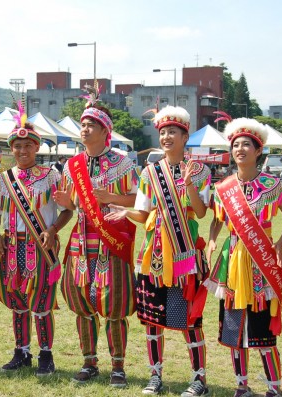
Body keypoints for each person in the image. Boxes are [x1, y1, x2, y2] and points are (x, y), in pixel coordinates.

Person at [106, 106, 212, 396]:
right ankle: (155, 375)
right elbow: (143, 213)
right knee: (153, 319)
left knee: (189, 319)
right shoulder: (150, 172)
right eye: (163, 132)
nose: (166, 136)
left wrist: (190, 185)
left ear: (185, 136)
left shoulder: (200, 170)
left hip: (184, 255)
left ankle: (199, 379)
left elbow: (201, 213)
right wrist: (125, 211)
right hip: (153, 255)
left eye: (172, 132)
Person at [53, 86, 138, 388]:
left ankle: (118, 366)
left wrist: (111, 197)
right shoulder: (71, 165)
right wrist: (66, 203)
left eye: (91, 125)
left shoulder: (123, 162)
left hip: (111, 243)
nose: (84, 129)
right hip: (80, 244)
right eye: (83, 124)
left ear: (105, 130)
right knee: (82, 306)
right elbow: (74, 204)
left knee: (114, 307)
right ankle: (89, 361)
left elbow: (139, 200)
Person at [206, 115, 282, 397]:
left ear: (259, 151)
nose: (240, 149)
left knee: (263, 332)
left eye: (247, 145)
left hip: (261, 263)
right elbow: (217, 220)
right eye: (235, 145)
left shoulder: (273, 185)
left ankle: (273, 388)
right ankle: (241, 386)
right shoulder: (223, 189)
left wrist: (280, 242)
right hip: (231, 262)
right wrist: (210, 240)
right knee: (234, 330)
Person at [0, 109, 73, 376]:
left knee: (41, 303)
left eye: (28, 145)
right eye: (17, 146)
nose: (22, 150)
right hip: (11, 246)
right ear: (11, 149)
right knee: (17, 301)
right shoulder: (3, 180)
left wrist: (53, 228)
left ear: (37, 147)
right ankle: (21, 352)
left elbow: (68, 210)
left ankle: (45, 355)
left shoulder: (51, 176)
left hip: (41, 247)